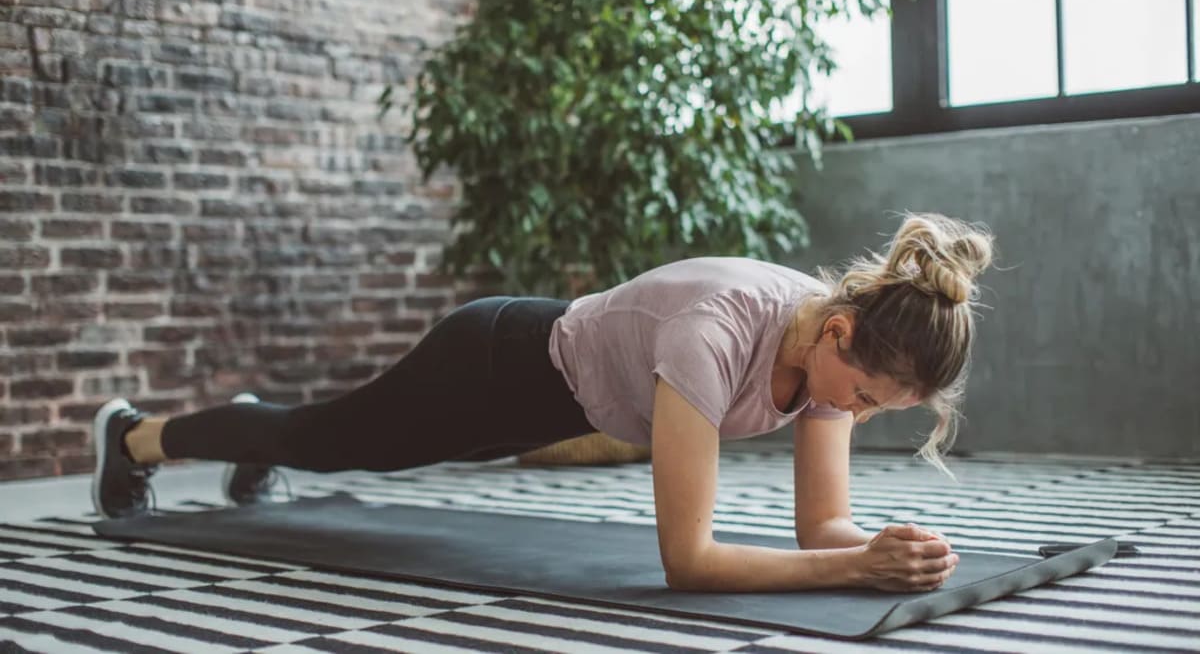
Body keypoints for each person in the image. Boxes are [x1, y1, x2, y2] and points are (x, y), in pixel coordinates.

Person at [91, 212, 993, 594]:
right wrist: (848, 571)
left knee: (315, 436)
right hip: (488, 364)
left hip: (552, 403)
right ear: (839, 333)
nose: (858, 413)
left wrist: (880, 546)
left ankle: (260, 429)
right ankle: (134, 437)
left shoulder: (835, 345)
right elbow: (687, 559)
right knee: (322, 440)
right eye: (866, 396)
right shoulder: (716, 332)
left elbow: (822, 524)